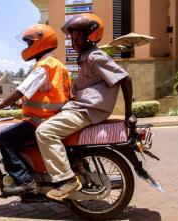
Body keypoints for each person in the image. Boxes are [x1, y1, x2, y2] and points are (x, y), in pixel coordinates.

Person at [35, 13, 133, 201]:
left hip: (87, 111)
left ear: (91, 36)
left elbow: (125, 79)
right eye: (73, 39)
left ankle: (67, 180)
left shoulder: (95, 57)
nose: (75, 43)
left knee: (45, 132)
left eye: (79, 38)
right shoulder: (85, 58)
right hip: (82, 108)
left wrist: (130, 115)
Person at [0, 24, 71, 195]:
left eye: (29, 43)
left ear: (41, 42)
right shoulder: (59, 65)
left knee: (4, 138)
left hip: (40, 120)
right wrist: (22, 104)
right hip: (54, 117)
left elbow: (20, 91)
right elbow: (48, 93)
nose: (28, 47)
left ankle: (26, 181)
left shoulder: (44, 65)